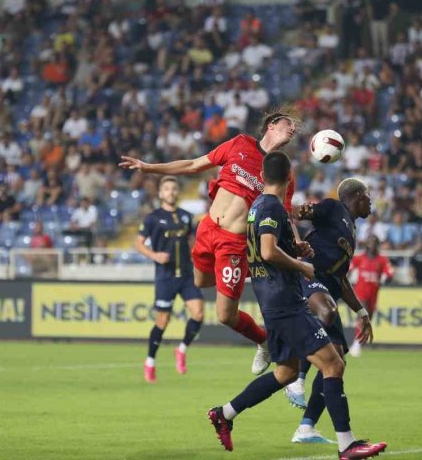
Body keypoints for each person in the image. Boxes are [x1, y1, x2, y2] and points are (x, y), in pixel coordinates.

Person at [206, 152, 386, 460]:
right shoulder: (273, 206)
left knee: (285, 372)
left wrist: (295, 247)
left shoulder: (257, 208)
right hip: (286, 301)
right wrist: (301, 265)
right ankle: (347, 444)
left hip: (272, 299)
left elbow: (265, 250)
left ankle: (225, 413)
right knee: (333, 364)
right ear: (290, 177)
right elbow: (266, 251)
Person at [120, 107, 311, 375]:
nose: (292, 130)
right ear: (271, 125)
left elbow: (285, 214)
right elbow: (193, 164)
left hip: (234, 243)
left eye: (293, 130)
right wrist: (148, 167)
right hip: (207, 229)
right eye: (287, 125)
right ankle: (244, 273)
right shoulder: (239, 144)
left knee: (224, 316)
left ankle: (264, 341)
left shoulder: (281, 172)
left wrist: (298, 242)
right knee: (199, 281)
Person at [282, 178, 374, 440]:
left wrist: (362, 313)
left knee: (338, 362)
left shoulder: (351, 231)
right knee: (327, 312)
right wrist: (301, 211)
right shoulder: (334, 208)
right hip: (310, 278)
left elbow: (343, 281)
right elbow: (304, 212)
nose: (371, 203)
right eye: (368, 197)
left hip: (329, 287)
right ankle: (297, 381)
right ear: (357, 195)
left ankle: (306, 427)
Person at [136, 177, 204, 383]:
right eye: (166, 188)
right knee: (162, 322)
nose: (171, 192)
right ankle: (150, 361)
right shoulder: (152, 218)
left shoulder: (186, 217)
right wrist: (155, 256)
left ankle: (181, 349)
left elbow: (193, 243)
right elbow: (138, 244)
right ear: (160, 193)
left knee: (199, 313)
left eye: (174, 188)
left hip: (186, 275)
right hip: (165, 277)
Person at [347, 236, 394, 357]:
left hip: (374, 294)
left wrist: (387, 278)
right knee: (363, 315)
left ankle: (359, 342)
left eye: (374, 242)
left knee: (368, 319)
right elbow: (349, 269)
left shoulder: (382, 260)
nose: (371, 245)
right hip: (360, 292)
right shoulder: (359, 258)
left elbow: (389, 273)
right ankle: (356, 343)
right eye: (369, 242)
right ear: (366, 244)